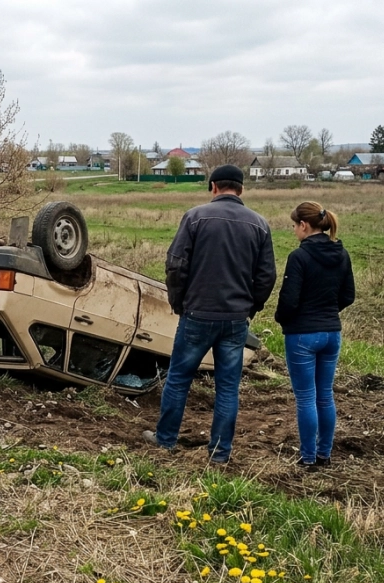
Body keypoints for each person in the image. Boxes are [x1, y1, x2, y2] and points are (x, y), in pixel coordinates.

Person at [142, 165, 276, 464]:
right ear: (241, 189)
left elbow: (176, 265)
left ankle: (165, 439)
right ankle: (220, 452)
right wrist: (250, 308)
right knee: (227, 387)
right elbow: (267, 276)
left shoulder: (195, 217)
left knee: (179, 379)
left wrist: (179, 303)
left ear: (213, 186)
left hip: (197, 314)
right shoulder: (259, 224)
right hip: (235, 319)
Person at [274, 201, 356, 471]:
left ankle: (308, 458)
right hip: (332, 333)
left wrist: (282, 319)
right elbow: (348, 295)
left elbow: (289, 301)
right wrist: (328, 312)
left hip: (302, 335)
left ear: (304, 225)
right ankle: (324, 454)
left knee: (306, 398)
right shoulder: (342, 254)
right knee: (325, 395)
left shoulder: (299, 257)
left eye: (294, 226)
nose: (293, 231)